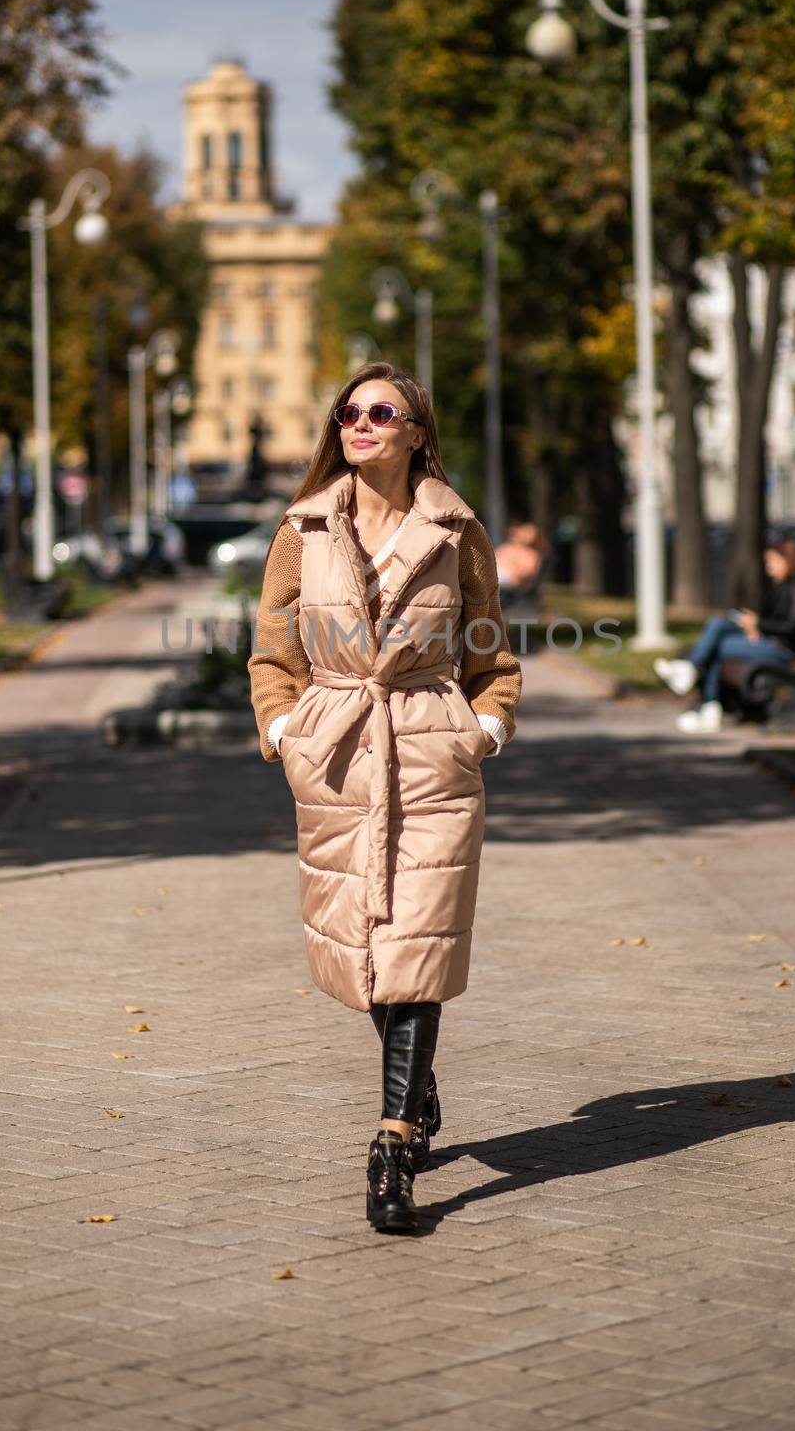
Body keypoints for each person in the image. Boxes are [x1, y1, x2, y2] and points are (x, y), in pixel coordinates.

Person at [247, 361, 522, 1233]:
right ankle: (419, 1082)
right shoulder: (302, 529)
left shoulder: (455, 529)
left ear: (414, 433)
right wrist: (285, 732)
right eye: (347, 413)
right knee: (366, 939)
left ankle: (393, 1143)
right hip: (336, 758)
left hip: (431, 751)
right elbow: (271, 656)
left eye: (379, 412)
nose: (359, 424)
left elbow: (492, 657)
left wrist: (483, 730)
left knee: (418, 940)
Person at [653, 538, 795, 734]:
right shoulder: (788, 585)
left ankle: (696, 678)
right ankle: (700, 689)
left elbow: (792, 626)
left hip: (784, 649)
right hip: (771, 641)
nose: (769, 569)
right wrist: (756, 626)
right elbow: (778, 619)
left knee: (717, 645)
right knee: (719, 624)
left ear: (788, 560)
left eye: (773, 562)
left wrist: (759, 625)